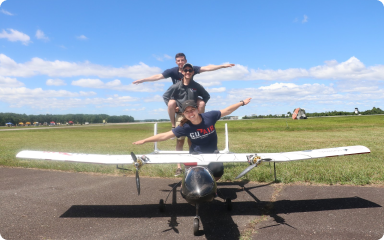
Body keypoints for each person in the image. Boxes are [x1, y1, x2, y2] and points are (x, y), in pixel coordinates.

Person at [133, 97, 252, 180]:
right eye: (187, 112)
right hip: (195, 155)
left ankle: (211, 186)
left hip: (212, 154)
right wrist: (145, 140)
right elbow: (165, 135)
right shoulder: (185, 127)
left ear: (197, 109)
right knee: (193, 178)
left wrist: (242, 102)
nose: (191, 113)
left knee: (218, 171)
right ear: (184, 114)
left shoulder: (210, 117)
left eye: (192, 110)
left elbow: (227, 110)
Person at [132, 53, 235, 128]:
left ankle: (200, 123)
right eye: (178, 60)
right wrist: (143, 80)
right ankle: (173, 126)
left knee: (202, 103)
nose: (181, 62)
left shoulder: (190, 68)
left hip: (192, 94)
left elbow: (206, 68)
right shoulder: (172, 71)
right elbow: (158, 76)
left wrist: (222, 66)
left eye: (182, 60)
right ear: (176, 62)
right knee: (171, 103)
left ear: (185, 61)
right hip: (179, 96)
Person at [163, 63, 210, 175]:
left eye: (190, 70)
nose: (188, 72)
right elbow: (165, 96)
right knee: (180, 142)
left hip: (193, 117)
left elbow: (206, 96)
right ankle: (179, 167)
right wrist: (175, 108)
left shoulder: (196, 86)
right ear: (182, 72)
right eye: (186, 70)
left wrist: (199, 106)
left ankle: (192, 166)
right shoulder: (177, 86)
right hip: (181, 116)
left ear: (193, 72)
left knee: (192, 141)